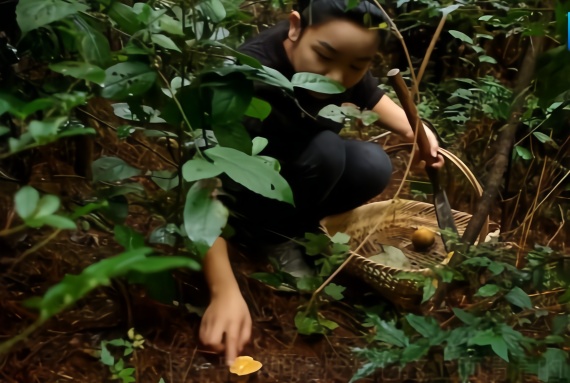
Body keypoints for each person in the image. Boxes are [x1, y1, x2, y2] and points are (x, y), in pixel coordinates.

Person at [198, 0, 444, 366]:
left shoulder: (342, 54)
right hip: (242, 196)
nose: (336, 78)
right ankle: (271, 240)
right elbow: (201, 186)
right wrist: (223, 290)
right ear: (295, 28)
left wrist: (420, 133)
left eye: (356, 66)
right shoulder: (247, 77)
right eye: (324, 57)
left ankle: (305, 228)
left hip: (298, 174)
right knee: (329, 151)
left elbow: (374, 99)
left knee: (373, 164)